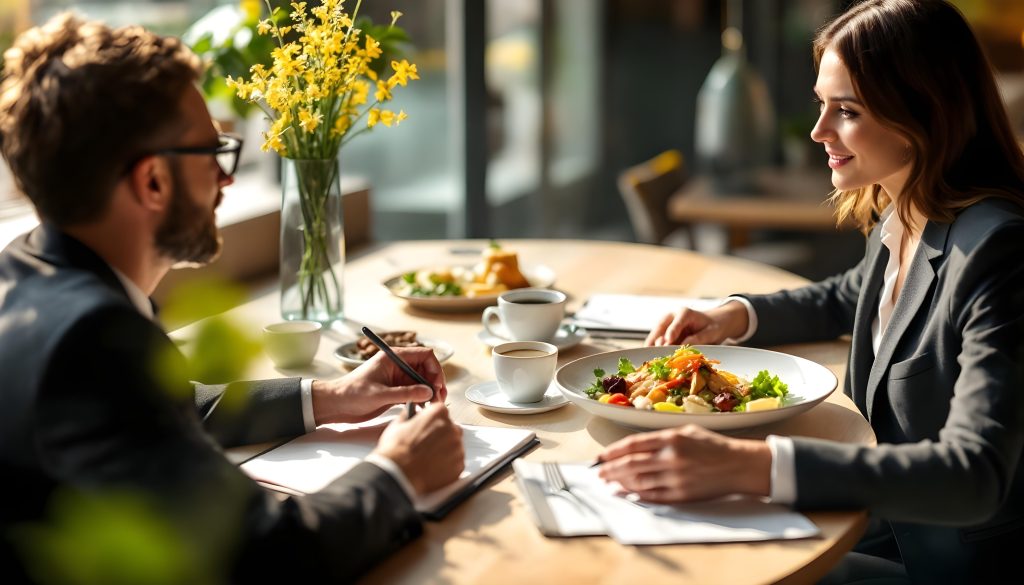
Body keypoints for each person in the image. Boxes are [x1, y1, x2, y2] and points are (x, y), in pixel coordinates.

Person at [0, 13, 464, 583]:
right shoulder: (93, 339)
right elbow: (262, 556)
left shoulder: (27, 271)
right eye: (212, 153)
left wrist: (331, 396)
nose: (229, 181)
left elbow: (150, 411)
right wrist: (398, 472)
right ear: (153, 182)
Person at [597, 1, 1024, 582]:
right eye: (823, 104)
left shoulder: (999, 251)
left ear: (922, 111)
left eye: (845, 111)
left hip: (940, 563)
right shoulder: (906, 210)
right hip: (881, 524)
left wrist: (754, 465)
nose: (820, 130)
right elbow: (849, 298)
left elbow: (974, 474)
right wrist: (734, 315)